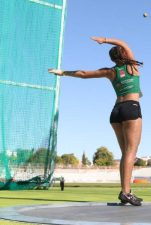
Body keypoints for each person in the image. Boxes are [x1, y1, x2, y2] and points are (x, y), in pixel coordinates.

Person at [48, 37, 143, 206]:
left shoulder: (110, 72)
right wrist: (105, 40)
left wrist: (63, 72)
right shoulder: (132, 67)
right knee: (131, 153)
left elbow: (84, 74)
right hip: (131, 108)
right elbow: (124, 43)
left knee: (125, 154)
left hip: (116, 112)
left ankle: (126, 191)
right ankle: (126, 193)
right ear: (124, 54)